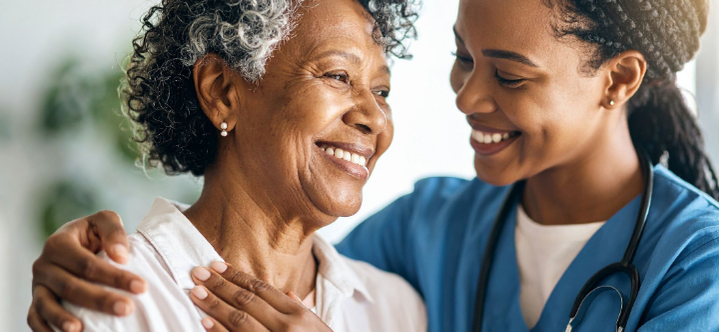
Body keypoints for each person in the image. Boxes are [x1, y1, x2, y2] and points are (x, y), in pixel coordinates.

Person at [29, 0, 719, 331]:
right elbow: (285, 254)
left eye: (509, 76)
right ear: (222, 89)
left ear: (617, 81)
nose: (467, 96)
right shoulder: (429, 234)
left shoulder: (706, 264)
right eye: (460, 57)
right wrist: (78, 256)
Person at [27, 0, 428, 331]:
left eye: (381, 91)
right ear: (221, 91)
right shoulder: (112, 298)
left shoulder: (397, 310)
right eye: (338, 76)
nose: (375, 118)